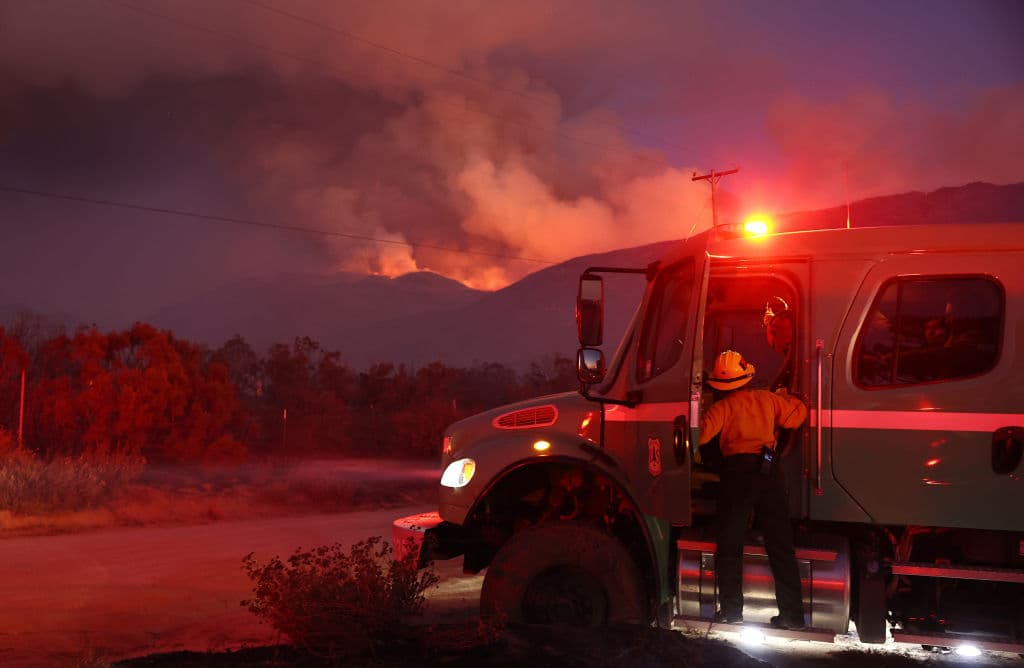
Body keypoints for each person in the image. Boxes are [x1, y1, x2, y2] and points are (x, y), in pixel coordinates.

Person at [699, 350, 808, 629]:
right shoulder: (768, 399)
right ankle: (792, 616)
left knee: (730, 546)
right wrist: (791, 397)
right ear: (747, 375)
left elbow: (697, 436)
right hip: (768, 473)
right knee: (780, 546)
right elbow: (797, 416)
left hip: (736, 476)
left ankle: (732, 613)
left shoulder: (720, 409)